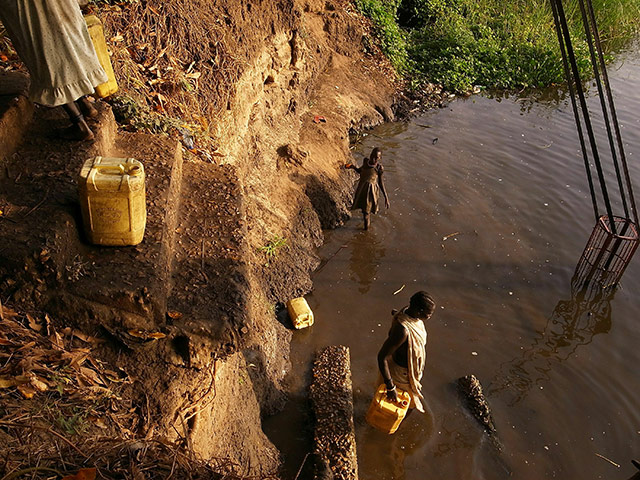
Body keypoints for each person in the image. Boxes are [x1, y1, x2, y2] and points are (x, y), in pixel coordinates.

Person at [0, 0, 108, 140]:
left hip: (31, 10)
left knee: (48, 61)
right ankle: (85, 105)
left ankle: (80, 125)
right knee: (67, 48)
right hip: (59, 6)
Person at [377, 291, 435, 413]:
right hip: (400, 375)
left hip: (408, 371)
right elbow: (382, 357)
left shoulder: (407, 312)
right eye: (428, 314)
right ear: (419, 311)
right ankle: (384, 428)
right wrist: (390, 386)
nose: (430, 317)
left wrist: (395, 315)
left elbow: (398, 315)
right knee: (404, 408)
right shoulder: (403, 331)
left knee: (402, 406)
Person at [346, 147, 390, 230]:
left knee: (366, 214)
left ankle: (366, 231)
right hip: (362, 189)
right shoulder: (365, 161)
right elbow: (360, 171)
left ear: (380, 158)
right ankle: (365, 231)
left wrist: (386, 198)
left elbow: (381, 183)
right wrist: (352, 167)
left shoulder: (379, 168)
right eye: (373, 156)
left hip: (371, 192)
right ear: (370, 155)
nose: (374, 159)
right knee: (363, 210)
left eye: (376, 157)